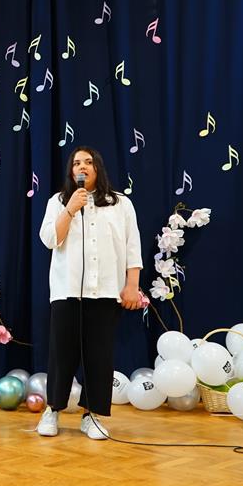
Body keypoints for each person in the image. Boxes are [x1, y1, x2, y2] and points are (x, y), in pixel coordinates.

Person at [37, 146, 147, 439]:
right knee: (62, 354)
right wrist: (70, 209)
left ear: (98, 167)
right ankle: (53, 411)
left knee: (99, 356)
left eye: (88, 162)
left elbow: (132, 245)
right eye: (76, 163)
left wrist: (132, 285)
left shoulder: (120, 203)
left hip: (106, 291)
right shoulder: (58, 201)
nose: (82, 167)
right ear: (71, 171)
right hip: (67, 290)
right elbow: (49, 239)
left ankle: (92, 415)